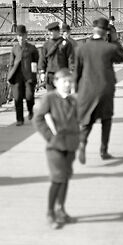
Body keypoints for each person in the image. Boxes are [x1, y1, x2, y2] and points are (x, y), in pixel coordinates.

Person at [74, 16, 123, 163]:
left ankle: (83, 142)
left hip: (87, 90)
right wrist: (115, 39)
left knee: (87, 120)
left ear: (93, 31)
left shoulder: (81, 49)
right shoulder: (109, 48)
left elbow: (76, 73)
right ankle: (103, 151)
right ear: (106, 33)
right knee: (106, 119)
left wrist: (76, 92)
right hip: (105, 89)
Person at [34, 67, 79, 229]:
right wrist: (50, 137)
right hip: (55, 146)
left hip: (71, 145)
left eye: (70, 82)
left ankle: (61, 209)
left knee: (65, 177)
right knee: (57, 177)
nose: (67, 84)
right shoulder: (49, 98)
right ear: (56, 83)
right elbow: (38, 119)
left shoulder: (73, 100)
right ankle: (50, 212)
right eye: (64, 82)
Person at [7, 25, 39, 125]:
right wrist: (9, 76)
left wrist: (34, 75)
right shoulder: (14, 49)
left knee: (29, 96)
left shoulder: (32, 48)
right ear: (17, 37)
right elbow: (11, 64)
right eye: (19, 36)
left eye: (22, 35)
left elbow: (35, 62)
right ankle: (19, 119)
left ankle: (30, 110)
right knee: (18, 98)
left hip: (28, 76)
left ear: (26, 35)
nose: (21, 38)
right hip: (17, 77)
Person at [38, 22, 71, 89]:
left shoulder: (66, 43)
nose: (49, 33)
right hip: (50, 75)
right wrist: (42, 72)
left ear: (57, 31)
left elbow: (71, 58)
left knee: (62, 95)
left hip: (62, 73)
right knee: (51, 96)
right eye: (49, 31)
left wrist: (71, 71)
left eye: (51, 31)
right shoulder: (46, 44)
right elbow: (42, 59)